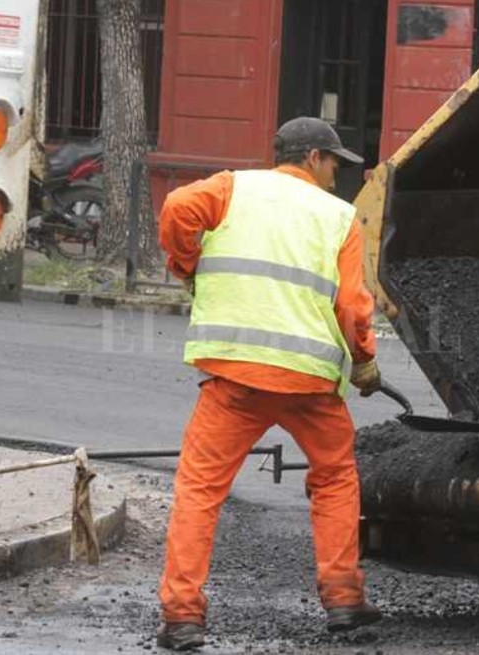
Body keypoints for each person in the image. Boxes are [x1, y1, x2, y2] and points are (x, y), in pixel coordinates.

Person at [154, 116, 384, 651]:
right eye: (334, 163)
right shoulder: (339, 216)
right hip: (309, 385)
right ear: (311, 159)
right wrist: (364, 359)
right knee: (334, 479)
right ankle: (344, 599)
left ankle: (183, 617)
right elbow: (351, 304)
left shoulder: (233, 188)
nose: (336, 175)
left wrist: (188, 264)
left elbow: (175, 210)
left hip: (235, 376)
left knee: (200, 490)